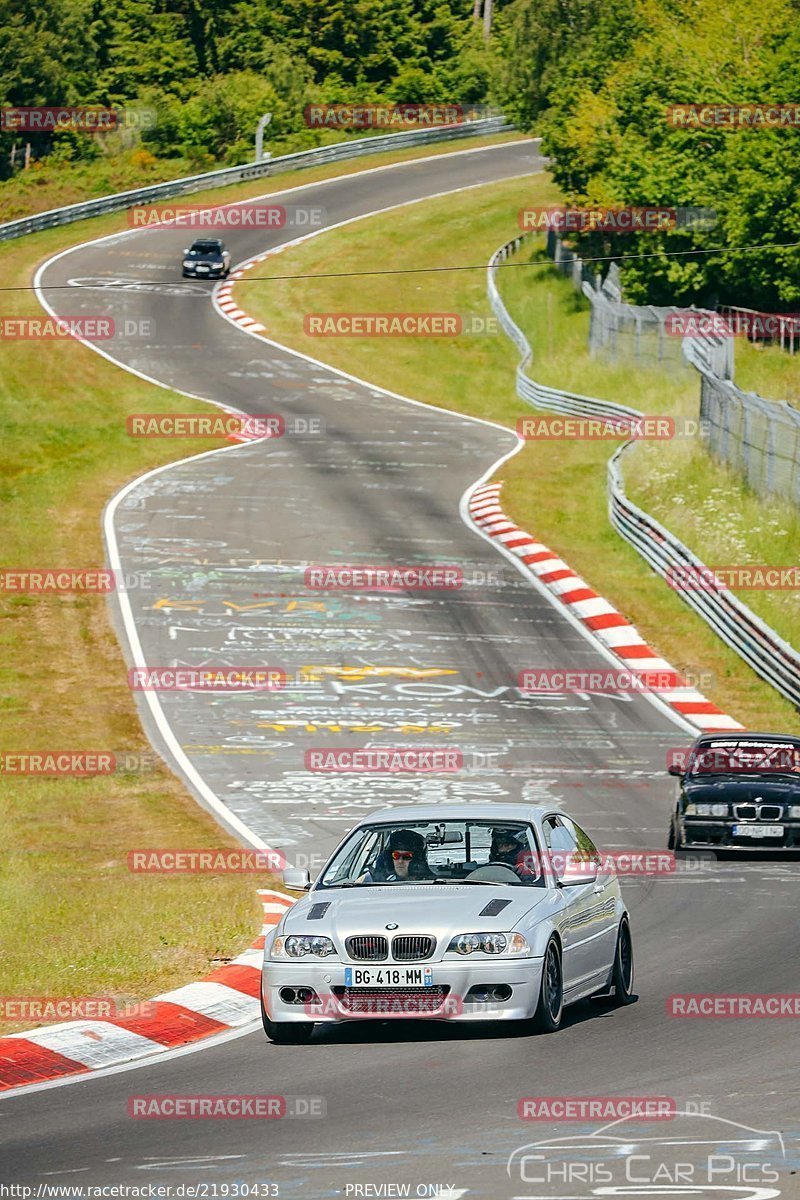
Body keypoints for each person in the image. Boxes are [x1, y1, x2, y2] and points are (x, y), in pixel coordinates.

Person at [365, 828, 433, 882]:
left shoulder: (431, 883)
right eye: (396, 855)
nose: (400, 861)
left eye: (406, 856)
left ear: (417, 861)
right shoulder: (379, 884)